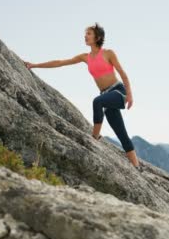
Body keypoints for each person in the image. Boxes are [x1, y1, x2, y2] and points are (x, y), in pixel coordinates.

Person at [23, 22, 143, 172]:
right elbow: (60, 62)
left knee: (97, 102)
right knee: (121, 133)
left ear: (97, 37)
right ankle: (137, 167)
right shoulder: (85, 57)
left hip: (118, 92)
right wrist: (34, 65)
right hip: (106, 95)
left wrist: (130, 94)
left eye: (89, 34)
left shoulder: (108, 53)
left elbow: (123, 73)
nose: (85, 36)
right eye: (86, 33)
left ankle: (95, 138)